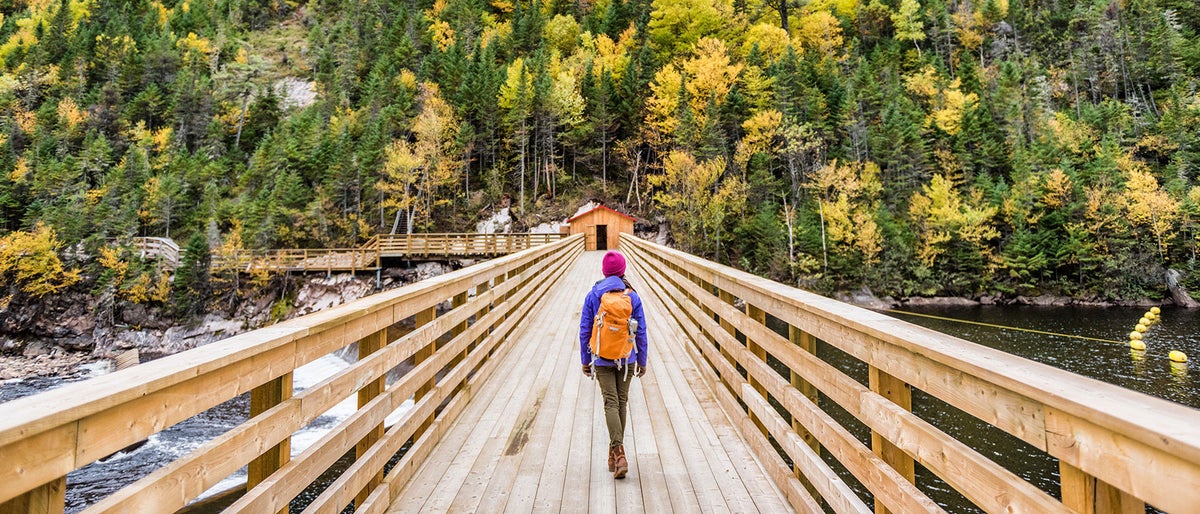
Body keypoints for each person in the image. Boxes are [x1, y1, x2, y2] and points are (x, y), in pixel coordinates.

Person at [579, 250, 648, 479]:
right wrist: (642, 359)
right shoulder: (632, 296)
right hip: (626, 357)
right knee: (621, 402)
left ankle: (617, 454)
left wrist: (584, 359)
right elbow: (642, 331)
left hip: (601, 356)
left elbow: (585, 329)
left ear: (604, 271)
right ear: (622, 270)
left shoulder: (593, 295)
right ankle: (616, 453)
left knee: (610, 402)